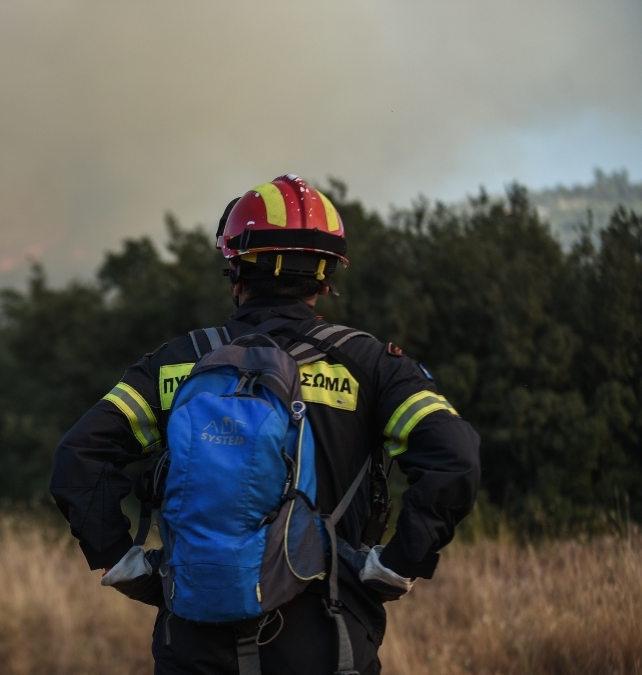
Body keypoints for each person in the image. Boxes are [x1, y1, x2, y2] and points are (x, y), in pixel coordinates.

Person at [49, 174, 481, 674]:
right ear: (326, 275)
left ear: (236, 267)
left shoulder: (175, 364)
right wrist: (400, 563)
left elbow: (78, 456)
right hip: (328, 639)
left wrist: (122, 561)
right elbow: (455, 457)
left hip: (192, 645)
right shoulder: (371, 366)